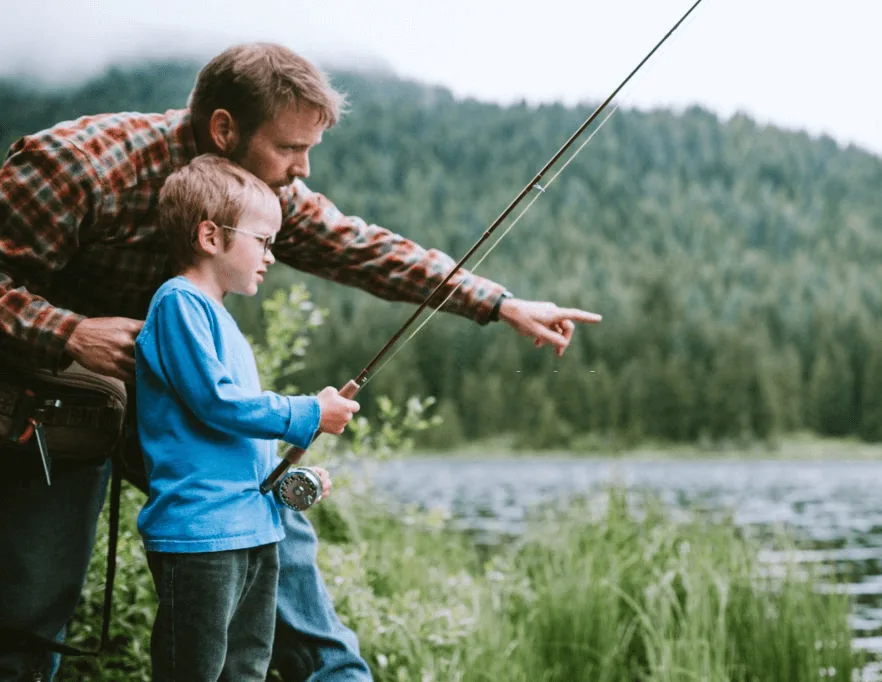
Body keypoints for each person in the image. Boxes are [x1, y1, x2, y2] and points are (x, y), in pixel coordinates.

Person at [0, 42, 602, 681]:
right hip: (58, 401)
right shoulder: (81, 165)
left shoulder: (261, 195)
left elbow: (364, 249)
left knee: (273, 531)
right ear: (225, 129)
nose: (302, 167)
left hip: (186, 414)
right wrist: (69, 333)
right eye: (290, 148)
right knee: (34, 607)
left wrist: (498, 303)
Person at [136, 153, 359, 680]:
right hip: (200, 538)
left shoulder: (221, 320)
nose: (271, 256)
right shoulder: (178, 303)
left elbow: (232, 441)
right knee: (194, 670)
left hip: (253, 533)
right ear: (211, 237)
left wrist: (284, 480)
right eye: (263, 241)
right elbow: (217, 403)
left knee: (246, 670)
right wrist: (308, 411)